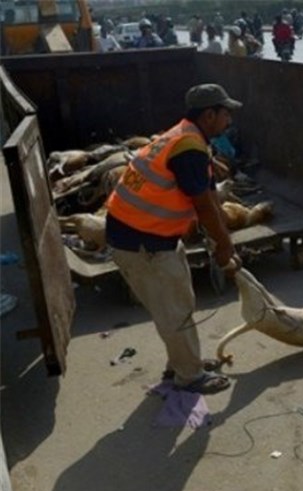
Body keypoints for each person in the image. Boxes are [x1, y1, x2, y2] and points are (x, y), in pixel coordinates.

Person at [105, 83, 243, 395]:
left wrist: (222, 237)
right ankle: (189, 376)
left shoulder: (186, 135)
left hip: (147, 235)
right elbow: (204, 206)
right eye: (226, 113)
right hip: (142, 242)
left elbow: (207, 190)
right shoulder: (189, 147)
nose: (229, 120)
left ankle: (183, 362)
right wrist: (224, 245)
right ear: (209, 115)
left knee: (179, 302)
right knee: (174, 310)